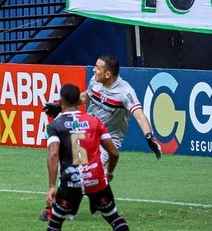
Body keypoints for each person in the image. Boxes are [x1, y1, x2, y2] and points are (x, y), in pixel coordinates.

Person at [40, 54, 161, 221]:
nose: (94, 69)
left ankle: (83, 205)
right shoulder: (95, 82)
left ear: (108, 74)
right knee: (72, 168)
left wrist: (149, 136)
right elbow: (85, 97)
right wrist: (60, 106)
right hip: (87, 133)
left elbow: (139, 115)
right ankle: (59, 207)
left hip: (109, 138)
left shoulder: (125, 92)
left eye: (98, 67)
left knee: (87, 173)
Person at [44, 83, 129, 231]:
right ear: (79, 101)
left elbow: (53, 154)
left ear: (61, 102)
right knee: (114, 218)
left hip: (70, 182)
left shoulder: (55, 126)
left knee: (55, 223)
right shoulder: (95, 122)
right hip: (96, 180)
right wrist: (109, 173)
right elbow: (114, 152)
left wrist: (52, 186)